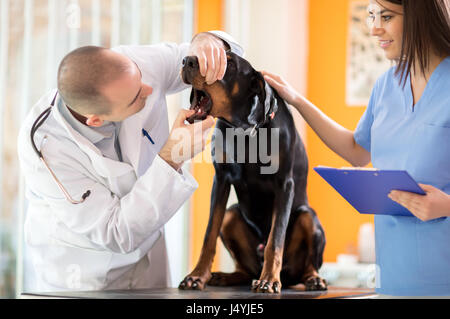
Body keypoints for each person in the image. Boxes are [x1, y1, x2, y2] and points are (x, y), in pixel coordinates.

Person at [17, 31, 243, 292]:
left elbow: (223, 57)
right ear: (96, 120)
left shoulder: (134, 65)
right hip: (87, 276)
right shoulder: (47, 149)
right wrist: (171, 158)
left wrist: (206, 42)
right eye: (137, 97)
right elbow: (115, 232)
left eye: (140, 78)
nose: (149, 89)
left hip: (149, 257)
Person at [263, 0, 450, 296]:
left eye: (386, 16)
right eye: (372, 16)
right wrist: (297, 100)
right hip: (392, 279)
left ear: (419, 15)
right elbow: (355, 150)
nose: (375, 29)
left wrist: (446, 205)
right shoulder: (387, 86)